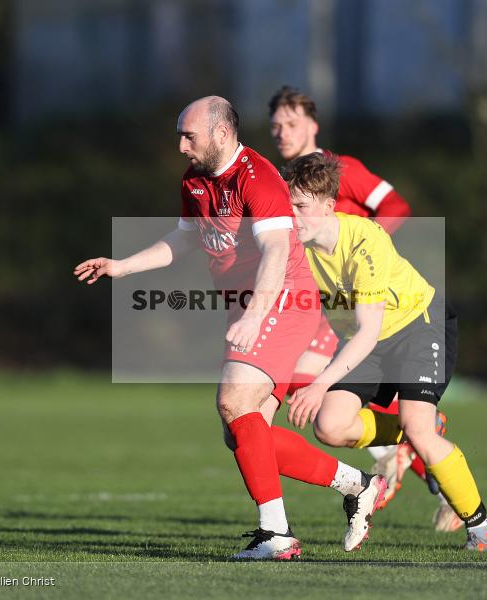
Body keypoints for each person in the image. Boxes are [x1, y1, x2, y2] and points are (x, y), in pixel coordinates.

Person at [74, 97, 386, 561]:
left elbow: (277, 253)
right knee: (243, 430)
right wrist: (124, 267)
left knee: (233, 402)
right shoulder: (195, 180)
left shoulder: (256, 177)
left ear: (221, 134)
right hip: (251, 307)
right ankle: (358, 485)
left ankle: (276, 535)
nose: (181, 146)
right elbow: (183, 239)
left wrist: (256, 315)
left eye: (189, 135)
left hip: (281, 299)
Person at [281, 153, 487, 551]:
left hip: (417, 326)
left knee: (418, 427)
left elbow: (368, 332)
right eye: (289, 204)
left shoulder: (364, 240)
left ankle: (484, 528)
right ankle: (412, 431)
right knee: (329, 427)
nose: (292, 214)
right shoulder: (296, 248)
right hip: (366, 340)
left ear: (328, 205)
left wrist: (319, 384)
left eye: (300, 206)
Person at [268, 86, 459, 531]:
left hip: (361, 299)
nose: (282, 133)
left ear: (313, 125)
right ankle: (403, 441)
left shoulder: (343, 169)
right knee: (305, 383)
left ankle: (400, 447)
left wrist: (363, 248)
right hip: (319, 298)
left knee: (307, 380)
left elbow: (396, 206)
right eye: (276, 126)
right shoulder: (283, 180)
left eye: (292, 124)